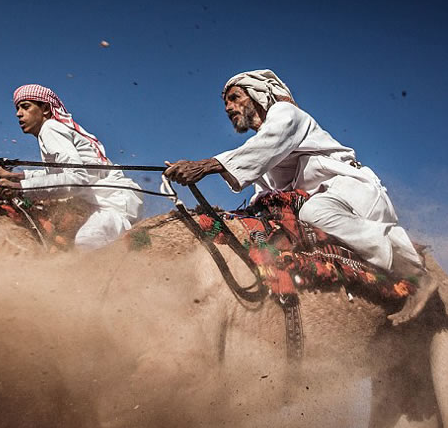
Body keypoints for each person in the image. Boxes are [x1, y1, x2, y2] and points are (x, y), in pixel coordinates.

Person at [163, 69, 437, 324]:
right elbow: (265, 189)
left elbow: (263, 147)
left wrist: (205, 166)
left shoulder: (286, 115)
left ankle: (414, 273)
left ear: (258, 94)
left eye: (234, 98)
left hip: (348, 190)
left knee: (314, 213)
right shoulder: (265, 146)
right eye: (225, 104)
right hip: (320, 197)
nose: (227, 108)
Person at [0, 84, 143, 250]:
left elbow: (77, 178)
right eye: (17, 108)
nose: (18, 114)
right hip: (105, 200)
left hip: (115, 203)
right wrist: (18, 176)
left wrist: (19, 188)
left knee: (87, 241)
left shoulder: (50, 128)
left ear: (46, 109)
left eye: (26, 107)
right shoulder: (54, 130)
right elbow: (61, 173)